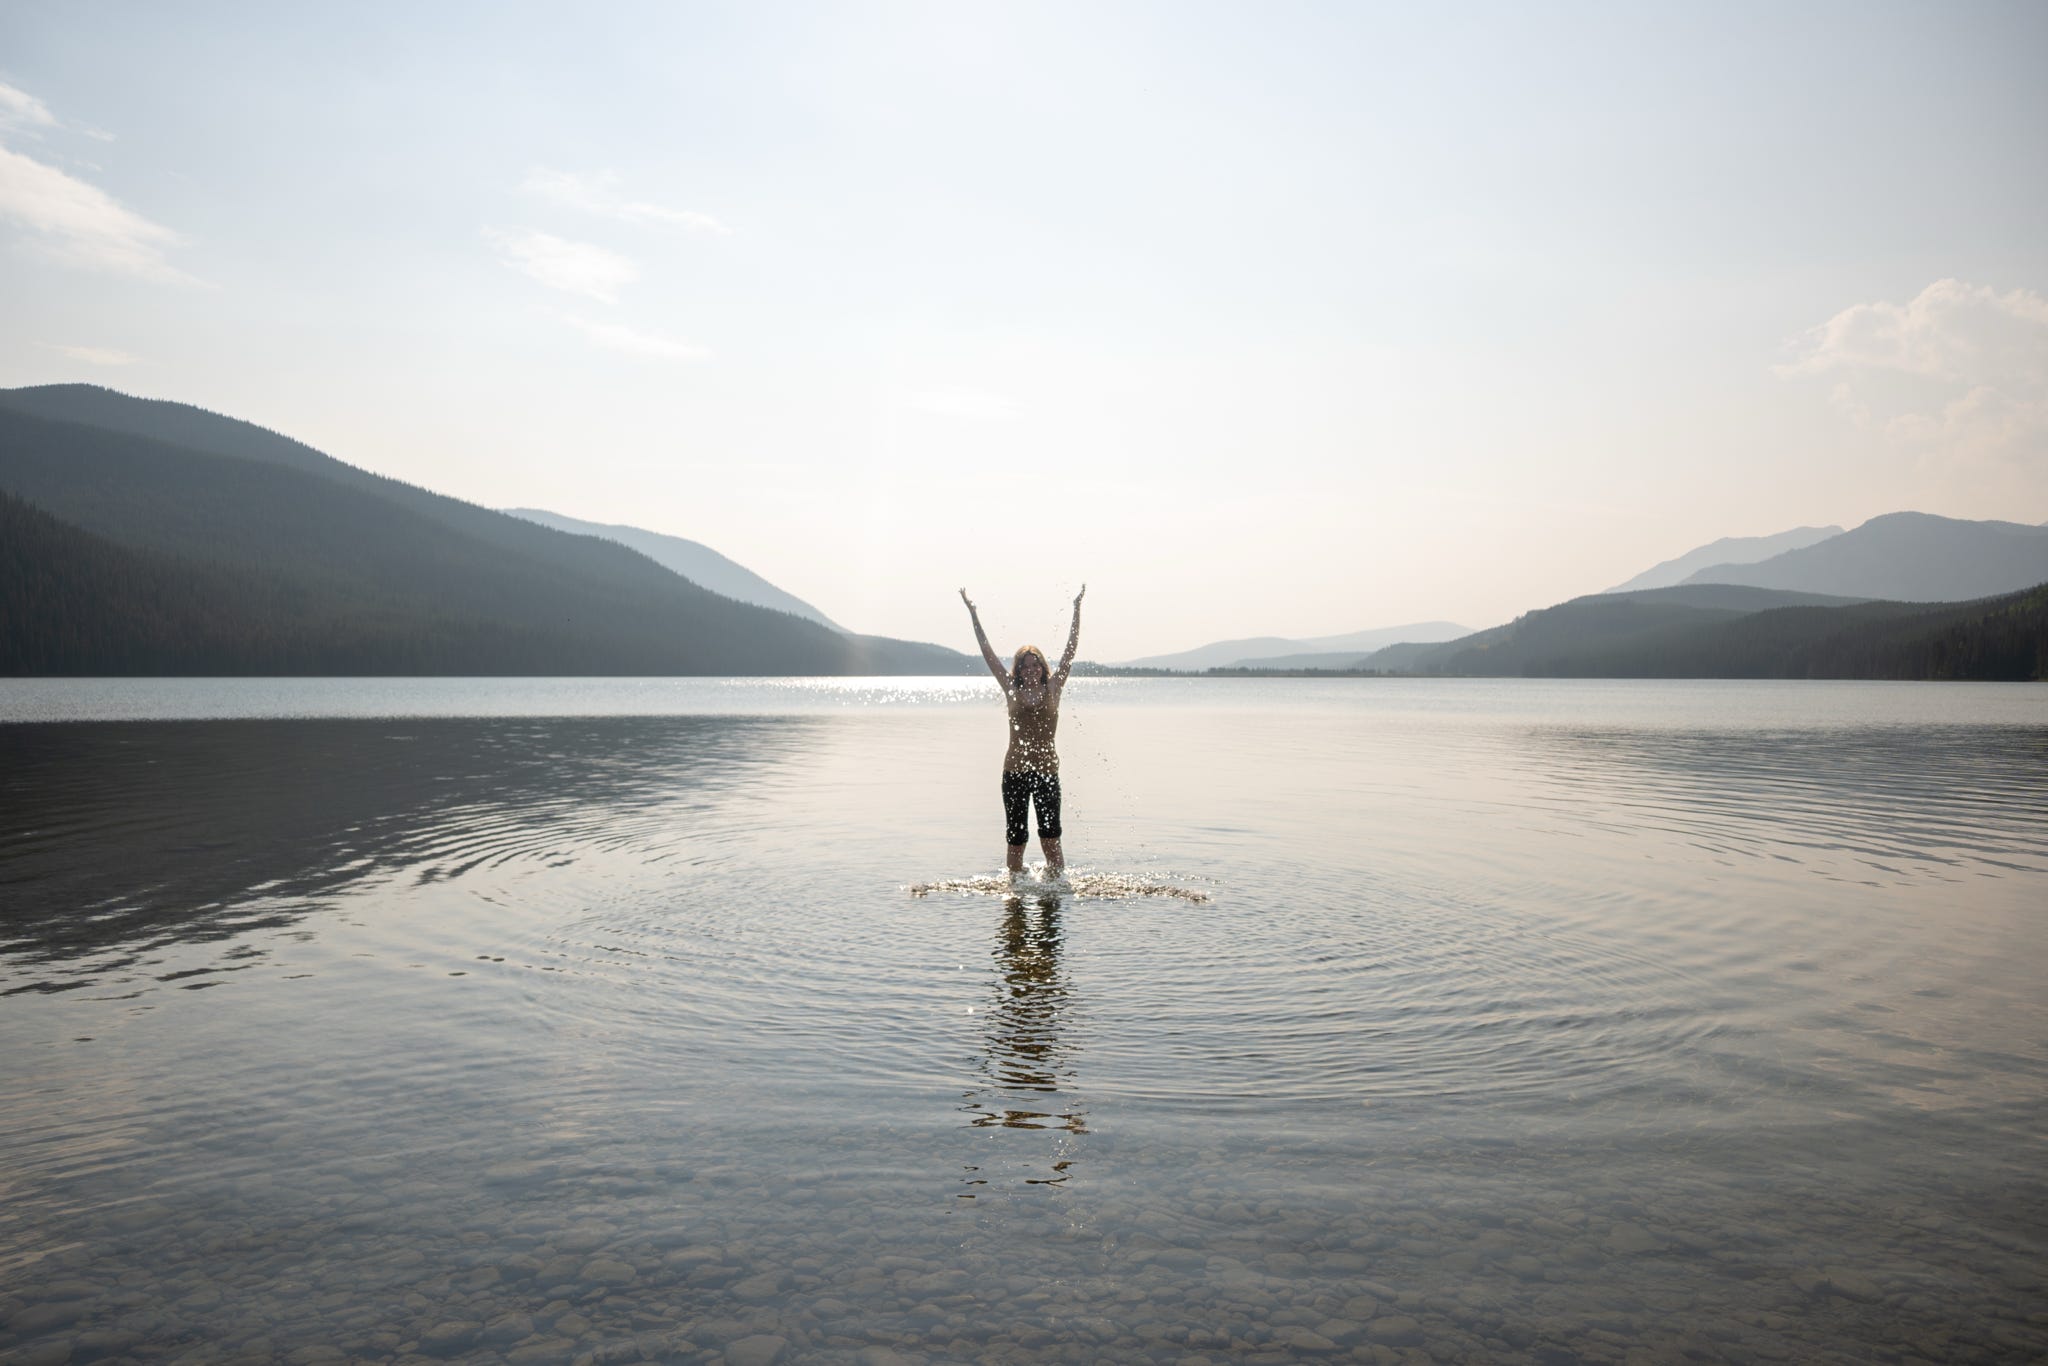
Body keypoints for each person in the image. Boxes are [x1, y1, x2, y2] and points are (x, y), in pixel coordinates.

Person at [959, 585, 1085, 876]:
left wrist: (1077, 609)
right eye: (1026, 666)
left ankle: (1054, 891)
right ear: (1018, 669)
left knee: (1050, 838)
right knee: (1016, 839)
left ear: (1042, 667)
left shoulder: (1054, 688)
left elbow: (1070, 650)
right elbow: (988, 653)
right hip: (1014, 771)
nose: (1031, 670)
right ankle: (1015, 891)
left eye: (1036, 665)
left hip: (1047, 771)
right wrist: (973, 614)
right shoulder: (1011, 689)